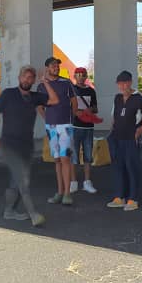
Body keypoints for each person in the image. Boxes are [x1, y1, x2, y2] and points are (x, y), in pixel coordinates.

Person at [0, 65, 60, 227]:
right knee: (22, 179)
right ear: (19, 78)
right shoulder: (8, 94)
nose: (27, 80)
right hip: (9, 144)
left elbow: (55, 100)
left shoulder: (35, 97)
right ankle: (33, 213)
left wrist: (45, 82)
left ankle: (9, 210)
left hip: (26, 145)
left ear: (33, 80)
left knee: (18, 180)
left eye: (30, 78)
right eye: (25, 77)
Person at [105, 71, 142, 211]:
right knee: (119, 167)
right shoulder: (117, 98)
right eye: (120, 83)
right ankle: (120, 196)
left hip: (131, 138)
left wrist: (138, 133)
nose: (123, 86)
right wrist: (111, 131)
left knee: (132, 168)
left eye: (125, 83)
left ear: (130, 82)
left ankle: (133, 198)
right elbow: (114, 116)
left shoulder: (138, 98)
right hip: (117, 137)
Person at [38, 57, 78, 206]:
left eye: (57, 65)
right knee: (56, 159)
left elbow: (74, 101)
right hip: (51, 127)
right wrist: (46, 119)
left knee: (65, 158)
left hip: (65, 126)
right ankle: (59, 192)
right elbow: (39, 106)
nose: (56, 67)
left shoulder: (66, 83)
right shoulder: (42, 86)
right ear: (47, 68)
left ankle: (67, 193)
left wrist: (71, 118)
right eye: (53, 65)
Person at [71, 66, 99, 194]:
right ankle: (73, 182)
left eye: (83, 74)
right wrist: (77, 112)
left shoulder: (91, 91)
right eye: (78, 74)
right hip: (74, 126)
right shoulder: (71, 90)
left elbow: (95, 108)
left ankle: (87, 182)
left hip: (88, 127)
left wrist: (89, 111)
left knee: (88, 155)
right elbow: (68, 107)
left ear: (86, 76)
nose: (81, 77)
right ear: (74, 76)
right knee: (74, 156)